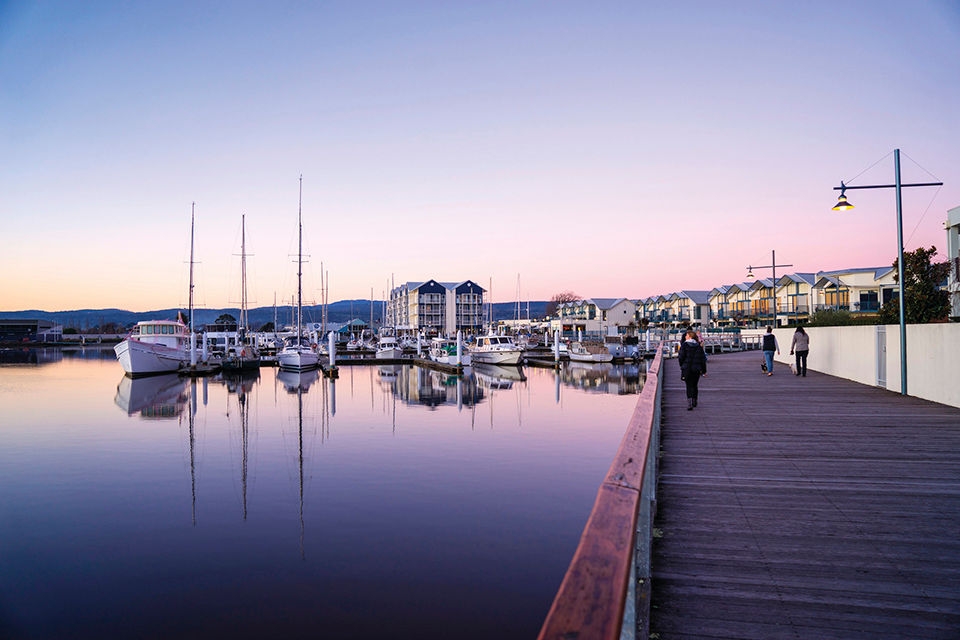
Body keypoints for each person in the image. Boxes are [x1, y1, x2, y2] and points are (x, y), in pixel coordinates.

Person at [678, 329, 707, 410]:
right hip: (696, 369)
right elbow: (702, 359)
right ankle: (694, 400)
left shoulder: (684, 345)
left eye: (686, 335)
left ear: (690, 336)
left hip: (687, 368)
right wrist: (704, 370)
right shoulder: (698, 346)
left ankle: (689, 403)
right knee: (695, 385)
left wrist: (682, 365)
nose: (685, 337)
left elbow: (681, 357)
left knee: (688, 385)